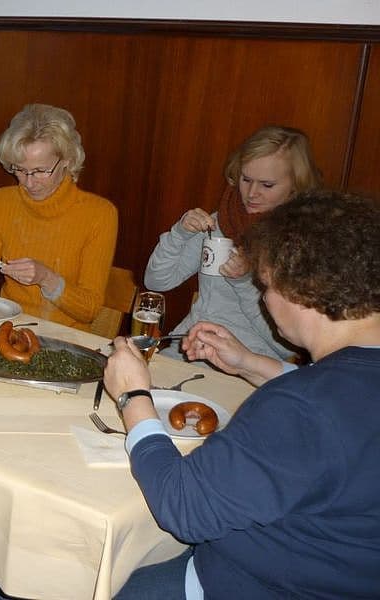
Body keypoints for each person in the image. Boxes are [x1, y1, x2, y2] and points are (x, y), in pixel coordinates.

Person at [106, 189, 380, 599]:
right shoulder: (332, 390)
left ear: (299, 291)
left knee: (99, 578)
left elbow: (183, 507)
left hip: (252, 586)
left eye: (265, 285)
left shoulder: (300, 407)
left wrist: (133, 397)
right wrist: (251, 363)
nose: (265, 298)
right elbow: (345, 406)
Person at [144, 125, 322, 362]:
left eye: (267, 185)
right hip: (189, 349)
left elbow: (288, 346)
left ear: (295, 187)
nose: (251, 193)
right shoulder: (221, 221)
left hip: (248, 366)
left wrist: (243, 282)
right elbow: (157, 280)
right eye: (246, 179)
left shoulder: (302, 243)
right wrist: (180, 233)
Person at [0, 103, 118, 331]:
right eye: (19, 169)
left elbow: (89, 310)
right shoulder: (3, 201)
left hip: (64, 341)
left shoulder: (99, 214)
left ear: (67, 160)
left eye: (41, 171)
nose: (28, 182)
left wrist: (47, 278)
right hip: (7, 331)